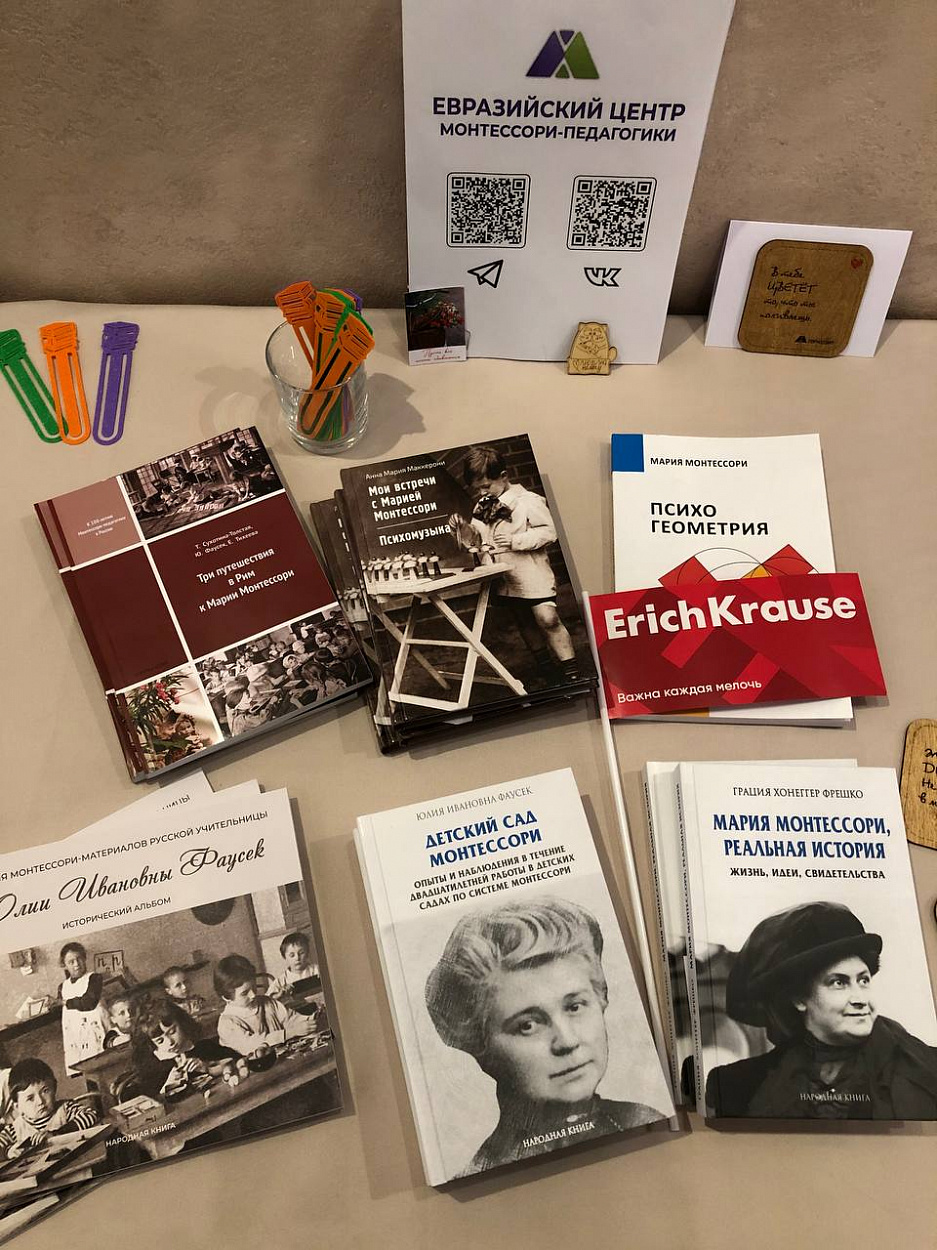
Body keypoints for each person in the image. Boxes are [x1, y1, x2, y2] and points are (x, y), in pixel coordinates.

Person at [424, 898, 664, 1175]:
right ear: (479, 1043)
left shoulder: (645, 1120)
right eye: (527, 1025)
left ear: (601, 997)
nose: (567, 1041)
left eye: (575, 1007)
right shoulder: (487, 1175)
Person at [705, 902, 937, 1119]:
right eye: (839, 983)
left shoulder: (926, 1070)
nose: (860, 999)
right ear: (798, 998)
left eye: (863, 980)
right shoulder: (741, 1085)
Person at [448, 445, 579, 688]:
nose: (482, 493)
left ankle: (571, 670)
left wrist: (516, 540)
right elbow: (477, 539)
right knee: (524, 620)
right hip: (504, 577)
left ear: (504, 476)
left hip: (530, 572)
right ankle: (547, 669)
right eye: (478, 489)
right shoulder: (483, 506)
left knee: (547, 618)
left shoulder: (528, 501)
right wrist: (464, 528)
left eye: (486, 486)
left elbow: (550, 532)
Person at [214, 955, 320, 1056]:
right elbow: (252, 1045)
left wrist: (308, 1021)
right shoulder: (227, 1023)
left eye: (254, 987)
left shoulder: (266, 1002)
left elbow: (289, 1019)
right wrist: (290, 1032)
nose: (253, 995)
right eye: (244, 993)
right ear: (226, 997)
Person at [0, 1059, 98, 1159]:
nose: (40, 1101)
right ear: (17, 1106)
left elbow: (91, 1114)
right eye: (30, 1098)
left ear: (54, 1088)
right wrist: (8, 1152)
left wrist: (58, 1133)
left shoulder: (66, 1109)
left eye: (45, 1091)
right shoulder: (14, 1130)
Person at [58, 942, 110, 1074]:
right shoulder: (63, 987)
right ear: (64, 965)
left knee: (106, 1065)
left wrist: (67, 1003)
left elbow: (89, 1003)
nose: (76, 964)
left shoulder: (94, 978)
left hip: (96, 1029)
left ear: (84, 958)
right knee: (88, 1069)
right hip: (78, 1035)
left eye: (79, 959)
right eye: (71, 962)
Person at [268, 933, 319, 998]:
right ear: (284, 957)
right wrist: (278, 994)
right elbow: (268, 998)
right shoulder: (282, 980)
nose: (297, 958)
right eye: (292, 955)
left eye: (301, 953)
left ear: (307, 953)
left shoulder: (317, 970)